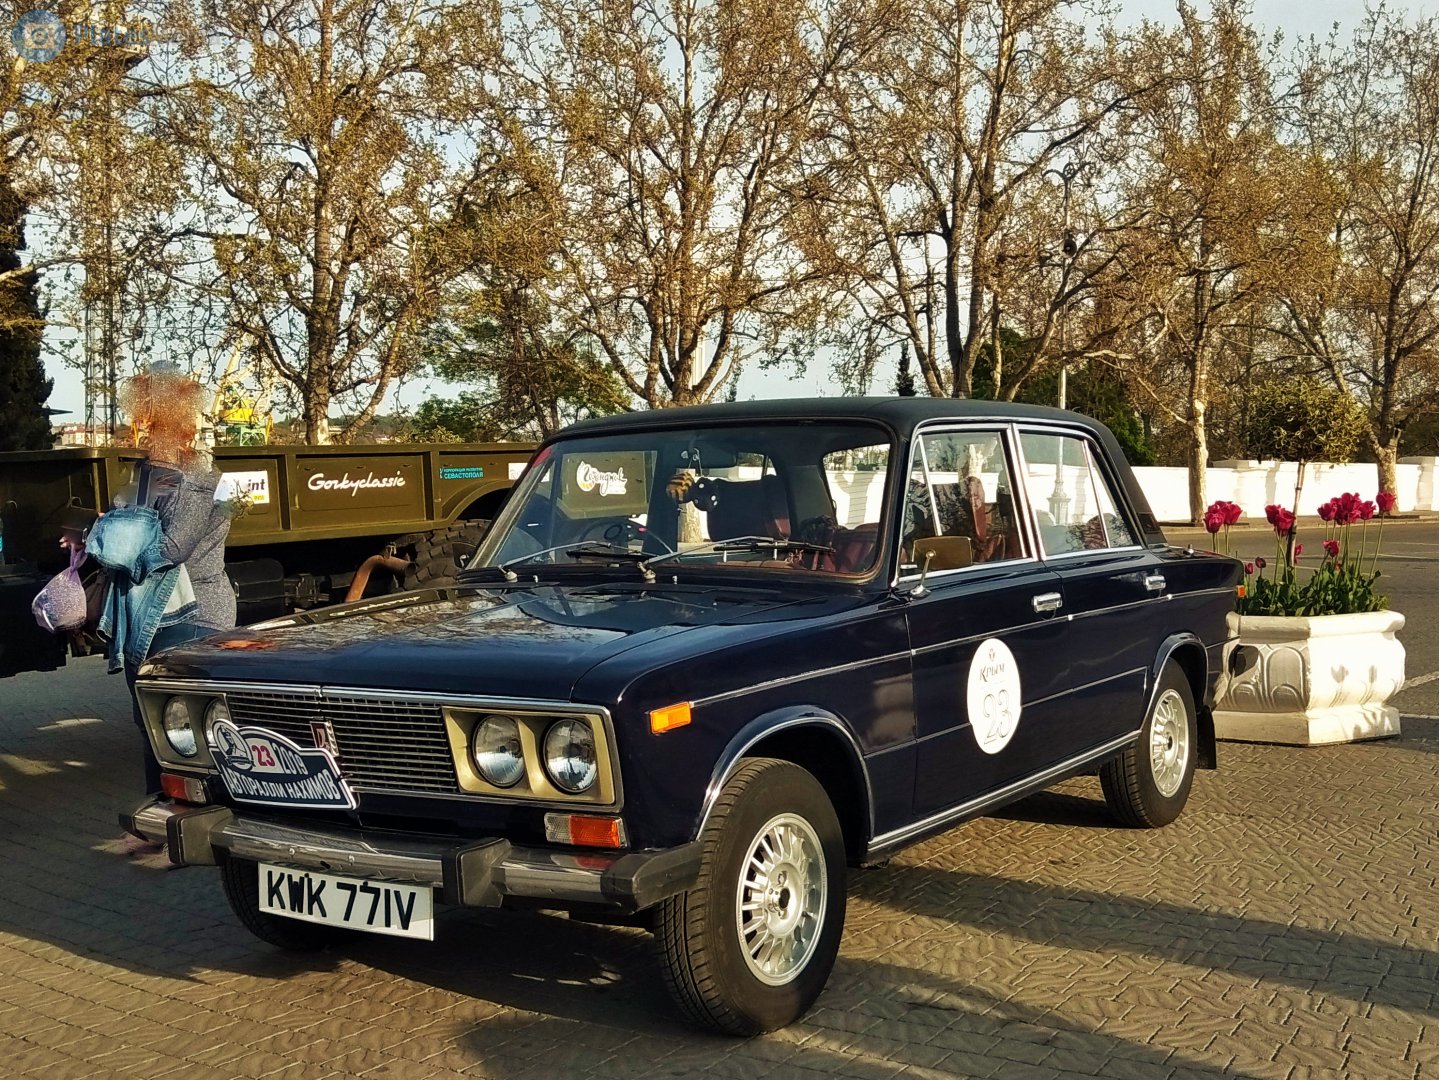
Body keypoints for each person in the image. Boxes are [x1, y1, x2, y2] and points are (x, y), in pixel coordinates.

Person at [88, 364, 237, 856]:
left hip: (192, 613)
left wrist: (107, 540)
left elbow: (169, 548)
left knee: (187, 723)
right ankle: (158, 819)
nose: (140, 435)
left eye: (150, 425)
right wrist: (99, 534)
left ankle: (195, 823)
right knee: (148, 719)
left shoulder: (203, 480)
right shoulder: (146, 476)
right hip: (146, 612)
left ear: (177, 426)